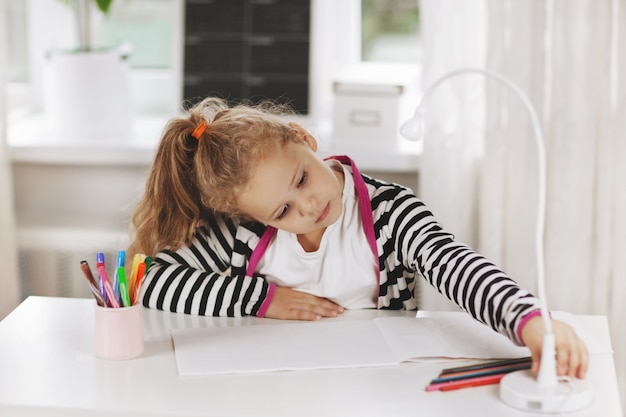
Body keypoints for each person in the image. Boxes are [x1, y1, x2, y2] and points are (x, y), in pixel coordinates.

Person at [129, 97, 588, 379]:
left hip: (375, 385)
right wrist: (262, 299)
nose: (307, 207)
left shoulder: (391, 212)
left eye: (302, 179)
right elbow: (147, 278)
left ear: (303, 138)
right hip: (273, 389)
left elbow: (455, 266)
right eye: (283, 211)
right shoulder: (246, 232)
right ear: (252, 216)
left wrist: (527, 321)